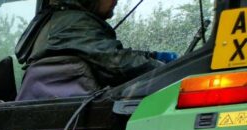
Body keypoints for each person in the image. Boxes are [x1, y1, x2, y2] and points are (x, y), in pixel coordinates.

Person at [15, 0, 165, 100]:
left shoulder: (55, 22)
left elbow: (102, 52)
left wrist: (150, 55)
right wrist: (171, 69)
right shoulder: (74, 22)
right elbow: (117, 63)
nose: (116, 1)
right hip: (83, 119)